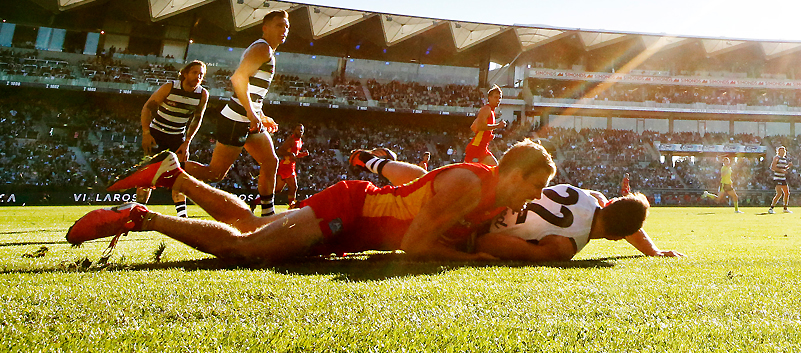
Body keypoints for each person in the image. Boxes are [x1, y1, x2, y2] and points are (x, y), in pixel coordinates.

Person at [71, 140, 556, 263]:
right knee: (247, 249)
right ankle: (143, 218)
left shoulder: (490, 192)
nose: (535, 198)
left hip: (357, 215)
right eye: (535, 186)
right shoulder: (471, 185)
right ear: (515, 174)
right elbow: (414, 244)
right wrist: (473, 258)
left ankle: (176, 176)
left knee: (250, 226)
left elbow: (418, 182)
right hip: (351, 211)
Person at [348, 152, 682, 260]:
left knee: (426, 180)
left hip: (495, 198)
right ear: (614, 237)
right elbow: (489, 243)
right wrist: (472, 254)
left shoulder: (593, 197)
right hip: (480, 221)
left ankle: (375, 162)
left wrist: (652, 251)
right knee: (426, 192)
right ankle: (375, 164)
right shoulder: (564, 246)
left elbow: (622, 217)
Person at [178, 10, 288, 218]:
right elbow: (238, 79)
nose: (284, 30)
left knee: (270, 161)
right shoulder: (262, 48)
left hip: (248, 119)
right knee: (214, 173)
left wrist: (260, 115)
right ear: (265, 28)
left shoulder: (266, 51)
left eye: (286, 27)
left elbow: (253, 92)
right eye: (279, 25)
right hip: (236, 119)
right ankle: (167, 167)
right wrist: (251, 113)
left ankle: (268, 215)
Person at [135, 60, 209, 218]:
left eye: (201, 74)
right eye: (194, 72)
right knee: (147, 175)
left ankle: (182, 217)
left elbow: (197, 119)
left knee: (179, 176)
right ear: (185, 74)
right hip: (156, 134)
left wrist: (187, 142)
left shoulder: (202, 94)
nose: (198, 76)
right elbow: (147, 108)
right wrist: (146, 133)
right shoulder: (170, 87)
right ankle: (139, 213)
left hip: (177, 138)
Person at [463, 85, 510, 166]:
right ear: (489, 98)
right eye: (495, 97)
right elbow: (479, 126)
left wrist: (487, 135)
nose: (498, 100)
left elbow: (473, 127)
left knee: (495, 169)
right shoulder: (486, 109)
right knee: (466, 171)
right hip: (476, 147)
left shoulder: (491, 111)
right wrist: (497, 126)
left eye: (500, 98)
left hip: (483, 148)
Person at [273, 124, 309, 209]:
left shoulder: (300, 141)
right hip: (286, 166)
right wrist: (289, 154)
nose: (300, 131)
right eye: (298, 129)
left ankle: (256, 201)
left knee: (277, 190)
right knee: (293, 186)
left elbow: (295, 155)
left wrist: (303, 154)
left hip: (290, 166)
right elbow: (280, 151)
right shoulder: (291, 140)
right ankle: (291, 206)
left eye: (301, 130)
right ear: (294, 130)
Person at [767, 145, 791, 213]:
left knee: (787, 193)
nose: (782, 152)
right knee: (779, 193)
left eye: (783, 151)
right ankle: (771, 208)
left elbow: (783, 168)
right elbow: (773, 167)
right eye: (781, 151)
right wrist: (781, 171)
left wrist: (788, 166)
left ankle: (785, 208)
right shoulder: (776, 158)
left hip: (783, 178)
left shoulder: (784, 159)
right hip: (777, 178)